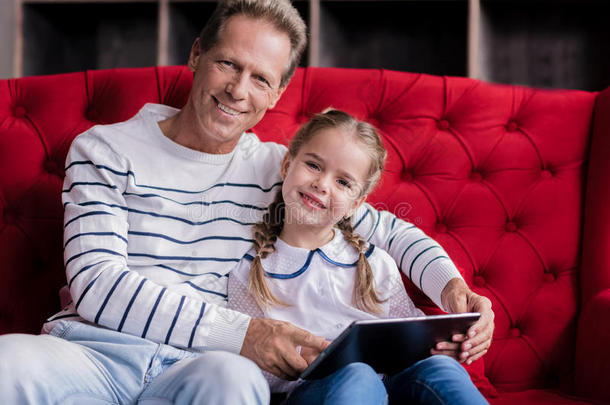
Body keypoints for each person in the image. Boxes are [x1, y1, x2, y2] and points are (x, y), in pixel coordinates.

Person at [0, 0, 493, 403]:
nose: (238, 90)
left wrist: (452, 289)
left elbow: (388, 230)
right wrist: (246, 333)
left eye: (261, 78)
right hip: (95, 353)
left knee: (234, 383)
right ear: (196, 55)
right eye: (227, 64)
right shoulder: (104, 149)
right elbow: (98, 285)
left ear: (278, 92)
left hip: (204, 364)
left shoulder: (282, 170)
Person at [227, 109, 488, 404]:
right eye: (313, 165)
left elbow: (408, 334)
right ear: (287, 165)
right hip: (310, 391)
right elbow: (247, 361)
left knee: (440, 369)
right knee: (357, 375)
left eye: (343, 183)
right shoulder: (250, 267)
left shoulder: (375, 262)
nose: (322, 184)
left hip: (389, 383)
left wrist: (442, 347)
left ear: (356, 204)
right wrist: (302, 360)